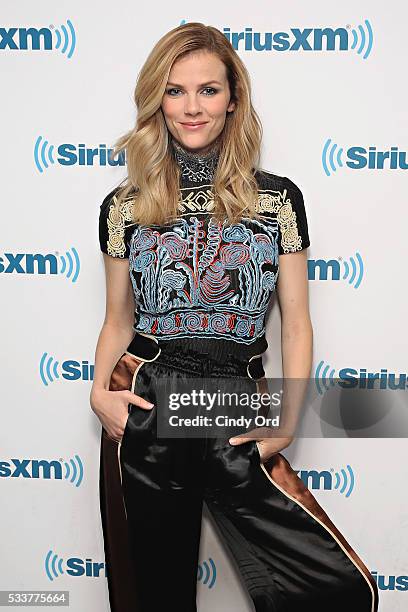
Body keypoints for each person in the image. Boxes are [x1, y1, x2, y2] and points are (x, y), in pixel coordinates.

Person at [90, 22, 379, 612]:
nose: (192, 107)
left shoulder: (276, 199)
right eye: (175, 91)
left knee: (331, 586)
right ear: (156, 101)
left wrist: (290, 414)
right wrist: (99, 391)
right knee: (153, 590)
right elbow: (118, 318)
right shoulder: (125, 204)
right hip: (149, 397)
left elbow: (295, 321)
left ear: (233, 98)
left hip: (235, 400)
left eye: (208, 90)